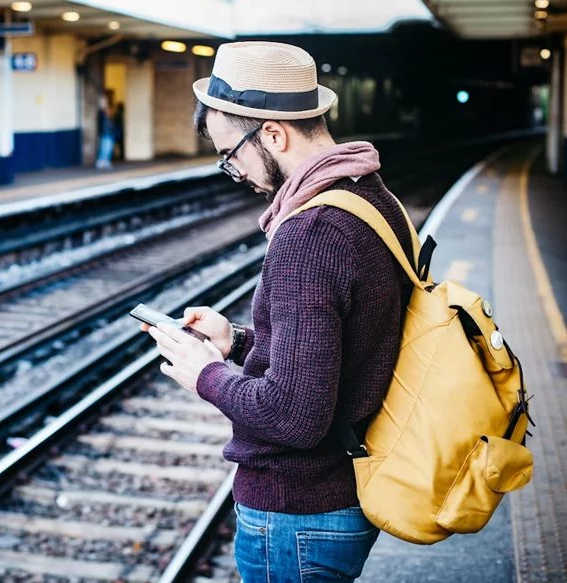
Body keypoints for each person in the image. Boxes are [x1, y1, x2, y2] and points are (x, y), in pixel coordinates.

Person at [142, 41, 415, 581]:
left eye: (231, 154)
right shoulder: (371, 196)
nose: (235, 171)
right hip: (338, 495)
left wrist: (207, 376)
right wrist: (237, 342)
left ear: (272, 134)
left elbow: (294, 415)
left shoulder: (308, 233)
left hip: (298, 511)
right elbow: (348, 343)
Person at [95, 93, 116, 170]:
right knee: (104, 148)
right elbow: (100, 125)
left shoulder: (107, 116)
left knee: (109, 148)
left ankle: (106, 161)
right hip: (105, 133)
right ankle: (101, 161)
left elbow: (110, 124)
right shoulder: (101, 114)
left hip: (110, 133)